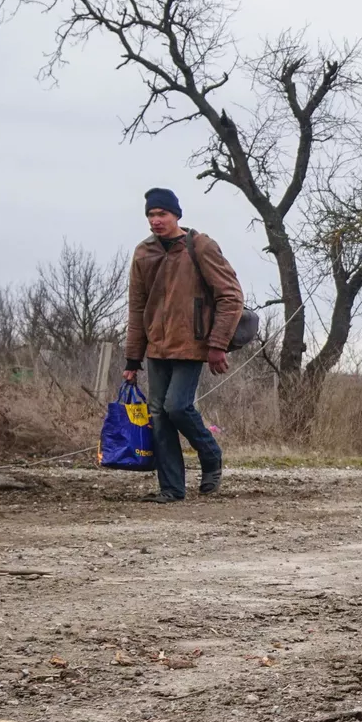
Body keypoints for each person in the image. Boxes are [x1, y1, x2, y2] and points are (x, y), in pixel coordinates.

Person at [122, 187, 244, 502]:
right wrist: (132, 360)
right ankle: (172, 489)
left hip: (193, 343)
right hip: (157, 346)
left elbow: (231, 296)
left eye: (161, 214)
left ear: (176, 214)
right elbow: (137, 308)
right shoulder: (143, 253)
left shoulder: (199, 246)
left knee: (177, 406)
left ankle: (210, 453)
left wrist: (217, 344)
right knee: (159, 414)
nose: (155, 220)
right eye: (150, 215)